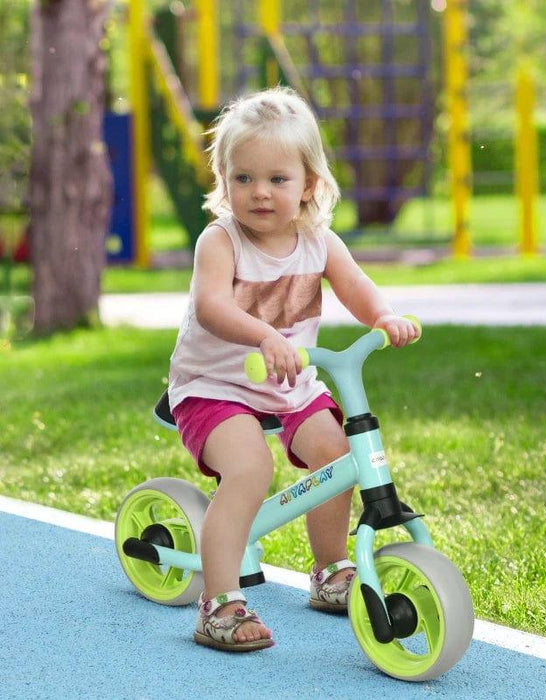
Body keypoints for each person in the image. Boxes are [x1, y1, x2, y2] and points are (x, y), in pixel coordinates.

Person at [168, 86, 418, 652]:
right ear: (224, 179)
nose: (259, 193)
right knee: (251, 470)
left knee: (340, 453)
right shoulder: (220, 241)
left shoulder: (317, 240)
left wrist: (384, 316)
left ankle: (330, 570)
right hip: (216, 387)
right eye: (244, 178)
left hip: (288, 384)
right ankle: (220, 602)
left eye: (277, 180)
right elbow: (212, 307)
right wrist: (263, 335)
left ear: (308, 183)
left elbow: (355, 286)